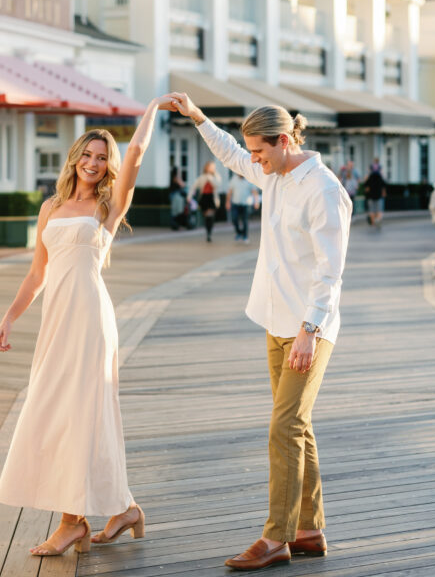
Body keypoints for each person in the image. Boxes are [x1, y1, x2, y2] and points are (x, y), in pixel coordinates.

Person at [168, 93, 350, 571]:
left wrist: (310, 331)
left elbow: (330, 273)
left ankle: (276, 538)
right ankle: (309, 530)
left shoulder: (324, 191)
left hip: (310, 327)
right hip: (274, 321)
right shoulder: (272, 175)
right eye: (252, 152)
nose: (253, 160)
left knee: (284, 427)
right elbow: (229, 152)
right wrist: (198, 117)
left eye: (260, 151)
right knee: (297, 427)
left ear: (285, 141)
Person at [0, 97, 172, 556]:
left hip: (91, 320)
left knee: (84, 413)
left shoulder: (109, 206)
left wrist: (153, 106)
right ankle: (125, 507)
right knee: (55, 411)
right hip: (57, 321)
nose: (93, 164)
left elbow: (135, 153)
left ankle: (72, 522)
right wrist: (10, 317)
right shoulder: (51, 207)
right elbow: (37, 274)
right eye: (87, 155)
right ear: (74, 158)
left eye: (101, 158)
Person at [189, 161, 221, 242]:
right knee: (207, 217)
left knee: (210, 216)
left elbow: (217, 185)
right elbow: (194, 186)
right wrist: (189, 196)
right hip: (204, 198)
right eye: (211, 167)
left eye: (213, 167)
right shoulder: (202, 177)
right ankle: (208, 232)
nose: (212, 169)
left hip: (212, 198)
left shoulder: (216, 177)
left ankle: (209, 233)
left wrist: (210, 178)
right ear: (206, 167)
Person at [226, 170, 258, 242]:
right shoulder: (234, 179)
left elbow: (254, 192)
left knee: (245, 221)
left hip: (245, 204)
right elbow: (230, 192)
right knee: (234, 219)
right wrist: (227, 202)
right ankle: (239, 233)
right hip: (235, 203)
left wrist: (256, 202)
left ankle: (245, 236)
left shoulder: (249, 179)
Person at [170, 166, 187, 230]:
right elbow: (182, 185)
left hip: (176, 196)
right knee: (176, 211)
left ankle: (176, 225)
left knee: (176, 211)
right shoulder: (175, 178)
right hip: (176, 196)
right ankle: (175, 224)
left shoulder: (174, 178)